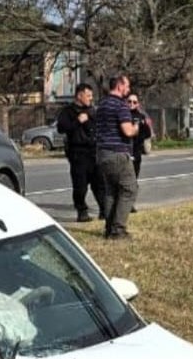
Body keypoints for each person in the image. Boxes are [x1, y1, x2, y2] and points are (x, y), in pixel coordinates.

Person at [95, 74, 140, 239]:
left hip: (102, 154)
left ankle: (109, 228)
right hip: (118, 154)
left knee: (111, 192)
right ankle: (118, 229)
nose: (128, 90)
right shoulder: (120, 106)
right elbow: (127, 131)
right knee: (129, 189)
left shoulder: (102, 105)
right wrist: (136, 127)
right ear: (120, 85)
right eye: (127, 86)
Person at [56, 83, 105, 223]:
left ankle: (104, 209)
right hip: (78, 153)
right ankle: (82, 211)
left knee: (99, 183)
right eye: (88, 95)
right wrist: (77, 121)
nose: (91, 98)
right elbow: (61, 128)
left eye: (91, 95)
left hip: (94, 151)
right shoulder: (68, 111)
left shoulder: (92, 111)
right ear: (79, 95)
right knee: (80, 185)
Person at [127, 92, 153, 213]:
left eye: (134, 102)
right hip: (124, 152)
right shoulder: (122, 115)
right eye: (129, 101)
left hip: (136, 152)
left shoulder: (141, 117)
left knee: (133, 180)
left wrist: (143, 127)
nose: (131, 104)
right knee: (122, 180)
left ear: (138, 104)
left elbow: (147, 134)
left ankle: (130, 203)